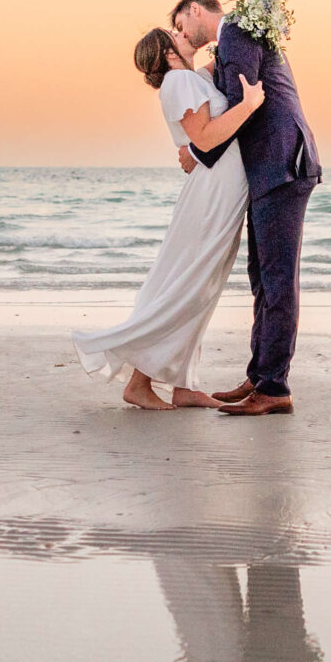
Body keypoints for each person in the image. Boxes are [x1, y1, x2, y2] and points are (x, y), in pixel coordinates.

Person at [71, 24, 265, 408]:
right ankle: (140, 382)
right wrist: (249, 106)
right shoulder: (178, 81)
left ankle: (183, 384)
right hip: (212, 192)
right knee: (190, 284)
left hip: (221, 188)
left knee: (203, 285)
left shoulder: (190, 79)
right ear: (169, 53)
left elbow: (217, 66)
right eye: (175, 34)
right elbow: (205, 138)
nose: (182, 33)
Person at [168, 0, 321, 416]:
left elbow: (243, 105)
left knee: (276, 280)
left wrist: (198, 152)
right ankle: (260, 375)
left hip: (282, 165)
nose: (183, 34)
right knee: (262, 276)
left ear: (195, 10)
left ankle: (274, 387)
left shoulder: (235, 32)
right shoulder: (238, 35)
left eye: (182, 25)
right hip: (274, 167)